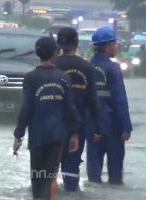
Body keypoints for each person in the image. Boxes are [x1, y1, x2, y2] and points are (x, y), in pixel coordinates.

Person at [13, 37, 80, 200]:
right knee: (51, 175)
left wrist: (18, 135)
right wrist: (75, 133)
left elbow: (26, 108)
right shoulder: (64, 78)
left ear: (37, 53)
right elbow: (70, 108)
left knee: (37, 176)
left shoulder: (30, 77)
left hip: (37, 137)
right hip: (57, 136)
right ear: (55, 53)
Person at [55, 27, 101, 192]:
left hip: (53, 124)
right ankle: (71, 192)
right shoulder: (87, 67)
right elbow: (93, 99)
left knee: (50, 168)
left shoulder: (51, 66)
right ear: (76, 43)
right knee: (72, 164)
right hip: (79, 125)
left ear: (59, 44)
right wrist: (97, 127)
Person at [88, 27, 132, 185]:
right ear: (107, 46)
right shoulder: (114, 68)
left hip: (92, 127)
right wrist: (127, 126)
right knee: (115, 177)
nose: (116, 47)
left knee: (93, 176)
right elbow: (120, 99)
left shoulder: (87, 67)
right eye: (115, 43)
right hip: (113, 127)